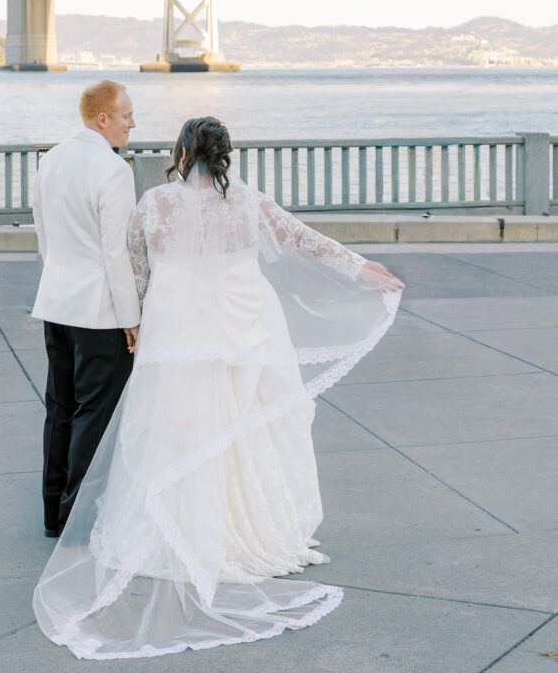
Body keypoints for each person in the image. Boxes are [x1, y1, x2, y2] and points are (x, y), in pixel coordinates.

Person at [33, 116, 403, 659]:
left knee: (177, 428)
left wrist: (131, 323)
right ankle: (244, 529)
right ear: (226, 154)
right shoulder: (250, 203)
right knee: (240, 426)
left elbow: (136, 271)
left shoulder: (155, 204)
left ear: (182, 151)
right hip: (245, 330)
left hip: (177, 329)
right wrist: (360, 267)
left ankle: (183, 527)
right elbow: (304, 239)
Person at [31, 79, 140, 539]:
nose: (132, 123)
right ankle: (80, 521)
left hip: (56, 303)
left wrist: (58, 279)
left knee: (60, 409)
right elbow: (119, 254)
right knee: (93, 415)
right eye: (126, 115)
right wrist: (131, 318)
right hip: (99, 313)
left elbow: (43, 235)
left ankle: (54, 514)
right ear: (103, 119)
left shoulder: (49, 160)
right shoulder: (113, 170)